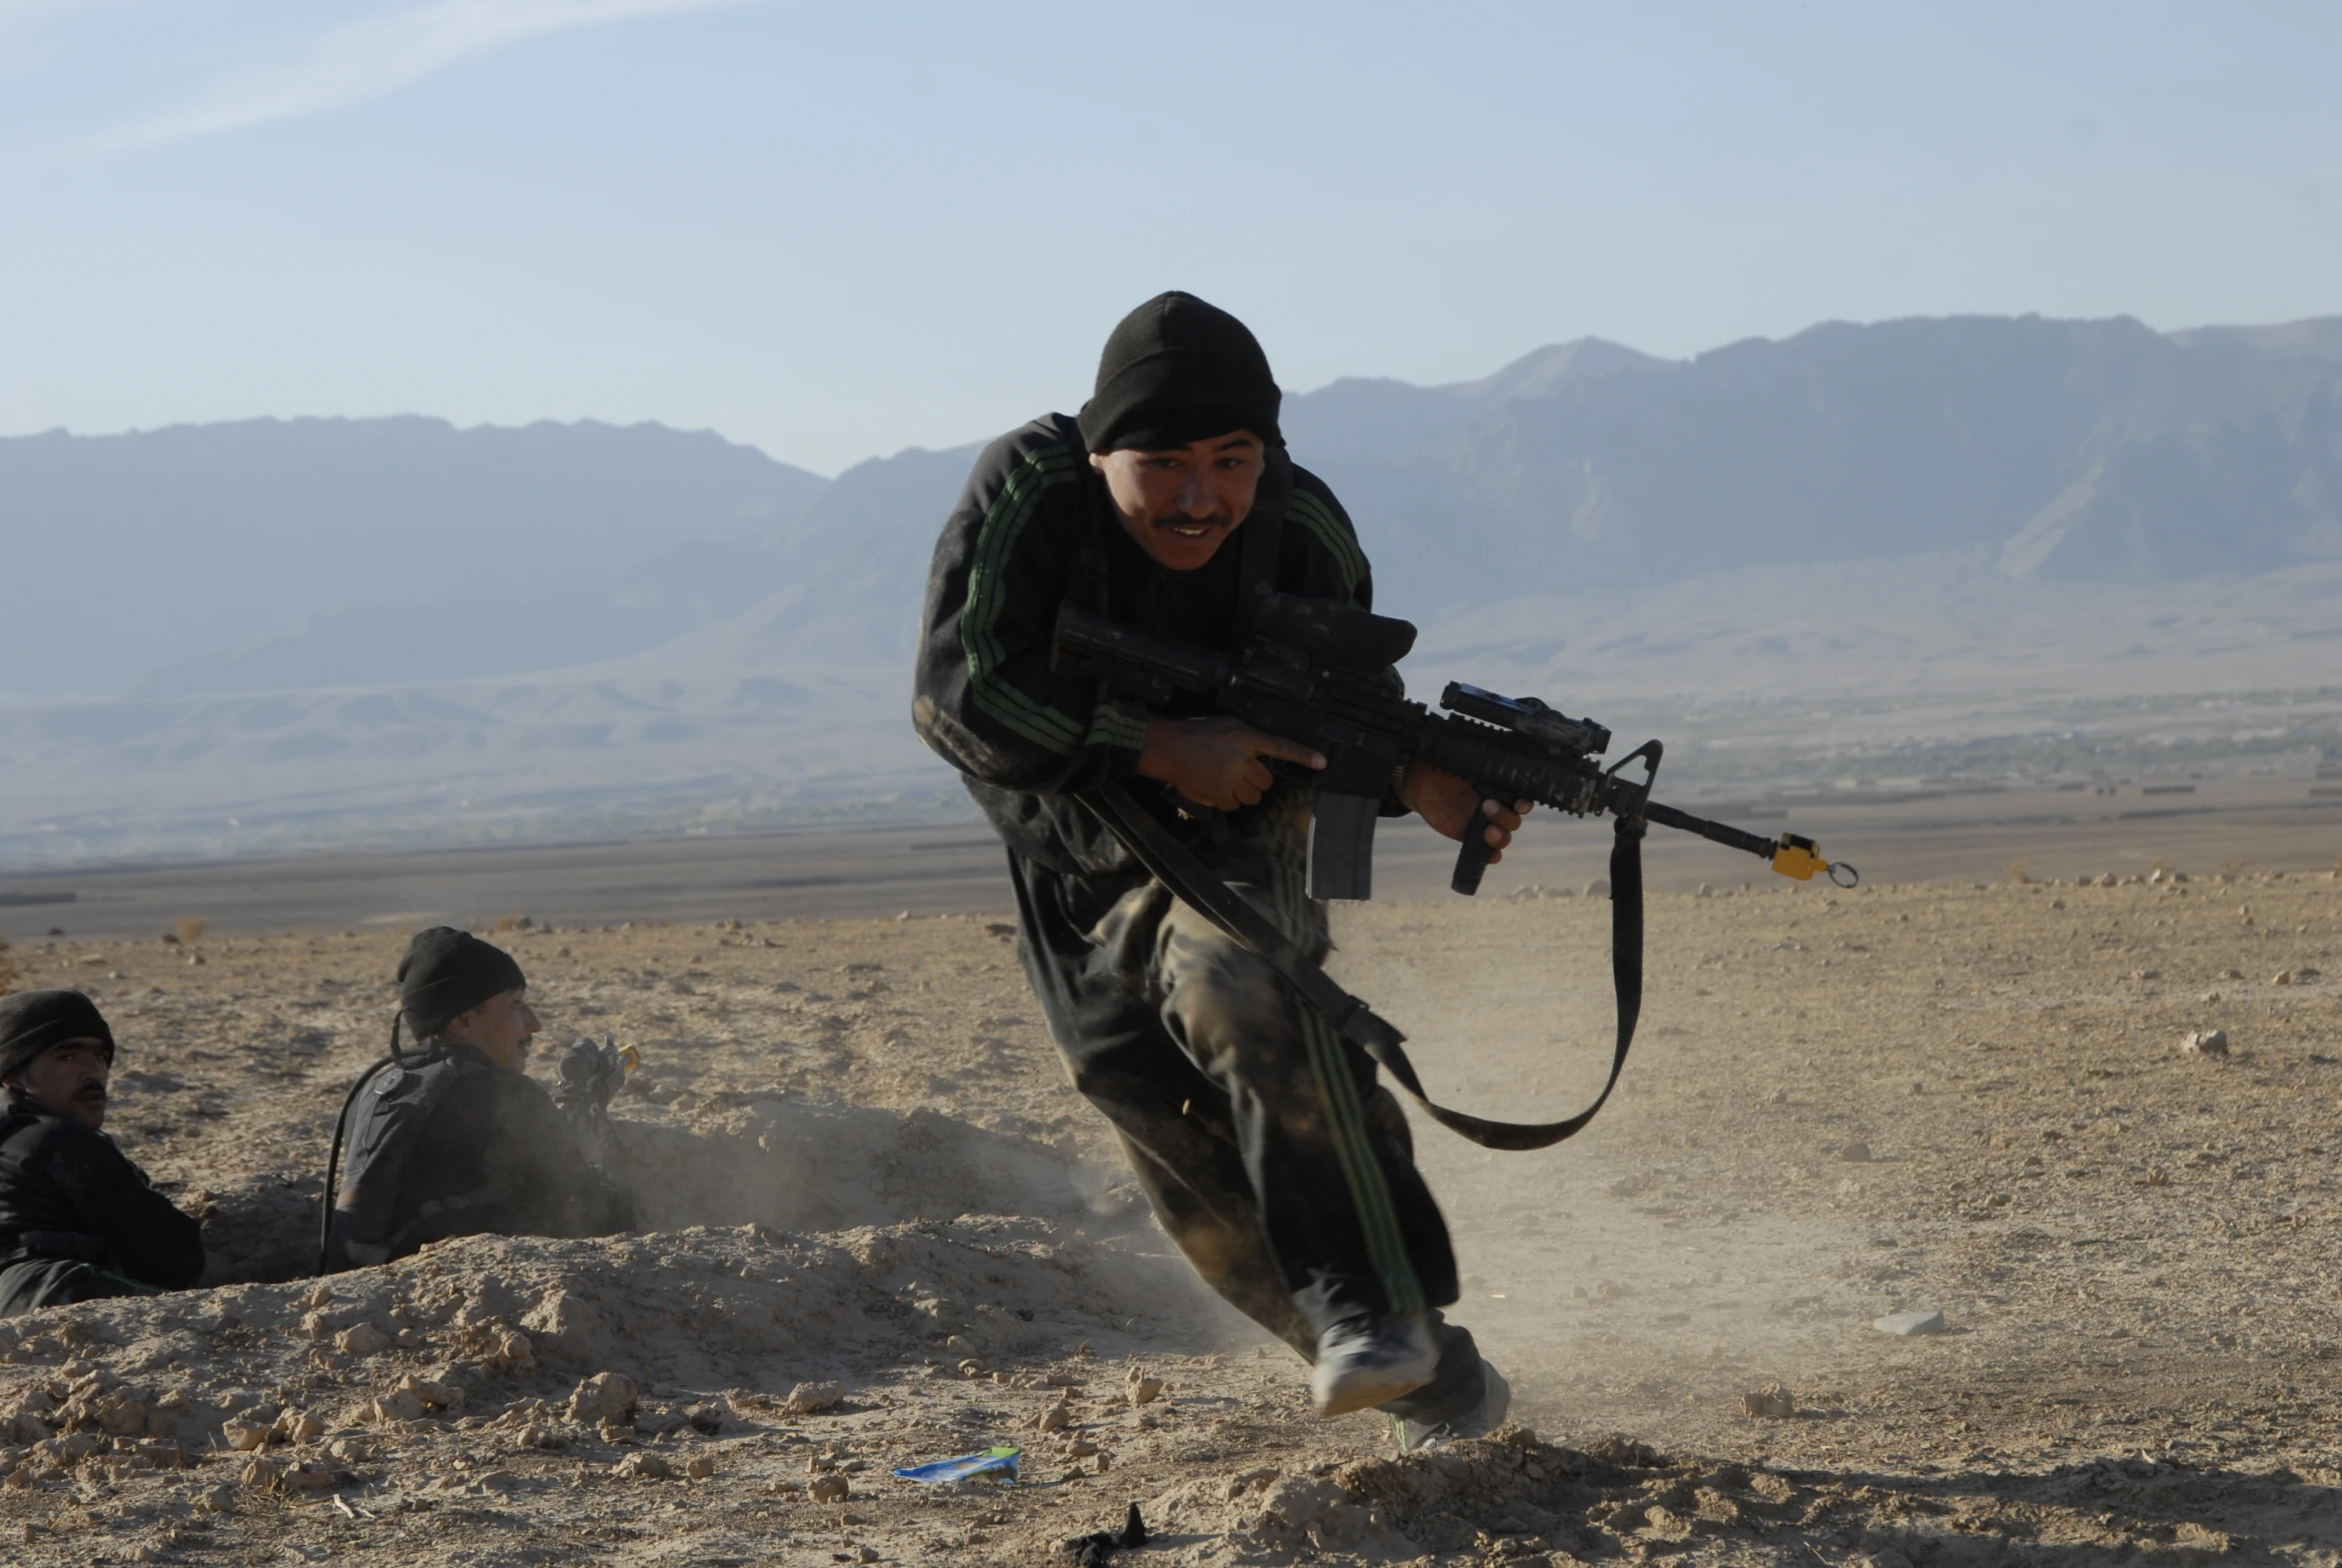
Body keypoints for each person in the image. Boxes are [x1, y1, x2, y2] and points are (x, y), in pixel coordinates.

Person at [913, 292, 1526, 1449]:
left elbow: (1338, 719)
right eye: (1164, 463)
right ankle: (1429, 1381)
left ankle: (1374, 1307)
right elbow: (955, 698)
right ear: (1101, 453)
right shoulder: (1030, 495)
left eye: (1232, 461)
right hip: (1069, 852)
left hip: (1235, 857)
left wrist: (1419, 786)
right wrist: (1153, 746)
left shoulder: (1301, 533)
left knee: (1242, 989)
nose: (1200, 497)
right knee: (1177, 1158)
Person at [323, 927, 632, 1271]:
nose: (534, 1023)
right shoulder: (502, 1092)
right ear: (464, 1021)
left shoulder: (380, 1086)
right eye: (515, 1004)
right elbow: (585, 1197)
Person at [0, 990, 205, 1314]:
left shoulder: (13, 1136)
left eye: (100, 1057)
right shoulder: (56, 1140)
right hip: (50, 1293)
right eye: (67, 1057)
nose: (93, 1072)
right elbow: (175, 1261)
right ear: (12, 1073)